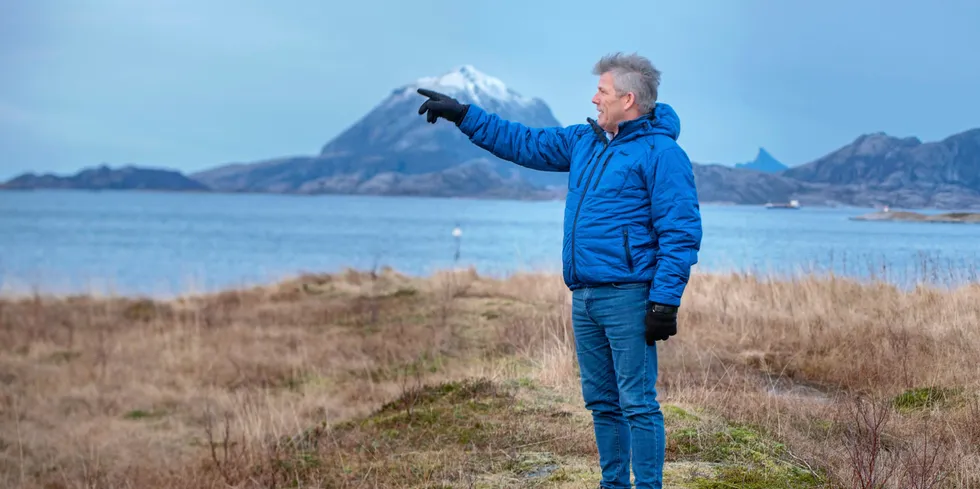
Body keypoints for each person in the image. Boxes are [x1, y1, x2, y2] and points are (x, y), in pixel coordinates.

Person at [417, 52, 702, 489]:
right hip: (584, 298)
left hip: (629, 296)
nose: (594, 99)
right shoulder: (583, 142)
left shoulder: (662, 153)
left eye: (602, 92)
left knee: (638, 404)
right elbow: (523, 142)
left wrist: (664, 301)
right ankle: (613, 485)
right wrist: (463, 116)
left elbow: (680, 231)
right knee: (602, 404)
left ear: (628, 99)